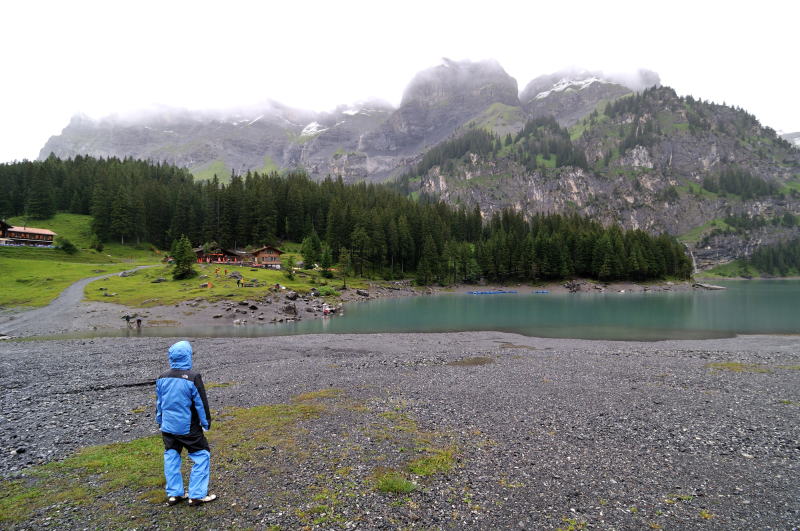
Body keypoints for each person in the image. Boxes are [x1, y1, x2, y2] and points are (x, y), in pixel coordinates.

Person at [155, 340, 217, 507]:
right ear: (188, 356)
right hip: (187, 427)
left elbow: (160, 402)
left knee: (172, 456)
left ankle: (174, 494)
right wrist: (206, 423)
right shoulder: (193, 377)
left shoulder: (162, 377)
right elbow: (201, 403)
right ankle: (196, 495)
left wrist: (159, 420)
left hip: (168, 427)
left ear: (171, 357)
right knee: (202, 455)